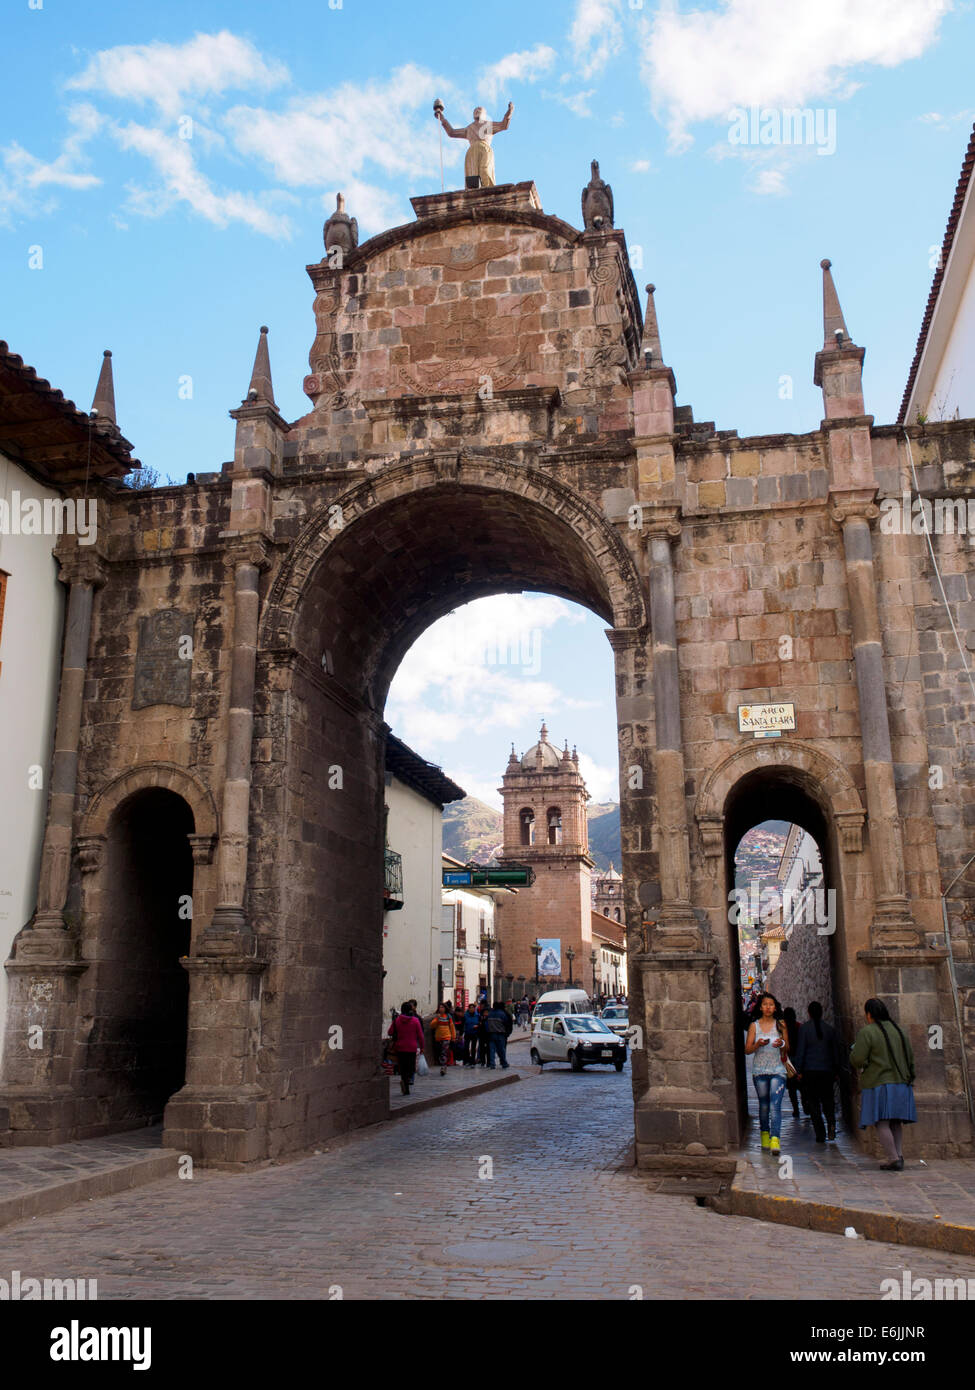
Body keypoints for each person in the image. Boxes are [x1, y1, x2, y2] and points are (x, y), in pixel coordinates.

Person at [850, 997, 916, 1170]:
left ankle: (893, 1158)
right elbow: (910, 1057)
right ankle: (899, 1155)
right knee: (895, 1122)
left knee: (882, 1122)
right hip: (901, 1082)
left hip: (879, 1083)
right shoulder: (900, 1030)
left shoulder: (868, 1032)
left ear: (869, 1014)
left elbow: (857, 1059)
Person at [745, 992, 790, 1153]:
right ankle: (765, 1135)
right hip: (760, 1071)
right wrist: (757, 1044)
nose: (768, 1007)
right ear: (760, 1007)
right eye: (765, 1004)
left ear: (775, 1007)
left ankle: (775, 1139)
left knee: (774, 1105)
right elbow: (747, 1050)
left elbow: (788, 1047)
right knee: (764, 1106)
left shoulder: (781, 1024)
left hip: (778, 1070)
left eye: (771, 1004)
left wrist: (781, 1043)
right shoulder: (754, 1026)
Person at [794, 1001, 843, 1142]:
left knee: (814, 1103)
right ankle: (831, 1126)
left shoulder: (804, 1029)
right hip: (827, 1072)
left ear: (808, 1013)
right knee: (828, 1102)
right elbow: (835, 1052)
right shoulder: (829, 1029)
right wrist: (836, 1070)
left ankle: (820, 1133)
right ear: (821, 1012)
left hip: (810, 1072)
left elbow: (801, 1050)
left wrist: (798, 1070)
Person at [387, 1002, 424, 1096]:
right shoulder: (415, 1020)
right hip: (412, 1048)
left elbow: (390, 1032)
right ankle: (407, 1082)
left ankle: (404, 1082)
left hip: (400, 1047)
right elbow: (420, 1036)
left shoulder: (397, 1020)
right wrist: (422, 1047)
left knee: (402, 1067)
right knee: (411, 1067)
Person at [782, 1007, 806, 1119]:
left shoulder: (783, 1028)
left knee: (791, 1087)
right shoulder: (799, 1026)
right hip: (799, 1059)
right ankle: (805, 1106)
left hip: (788, 1061)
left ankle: (796, 1109)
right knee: (802, 1086)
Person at [430, 1001, 456, 1077]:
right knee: (440, 1052)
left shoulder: (448, 1017)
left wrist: (453, 1037)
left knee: (443, 1052)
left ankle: (443, 1067)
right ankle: (443, 1065)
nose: (441, 1009)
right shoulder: (437, 1017)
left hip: (446, 1037)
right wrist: (437, 1019)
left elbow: (452, 1027)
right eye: (440, 1007)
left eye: (442, 1007)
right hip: (438, 1038)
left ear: (445, 1008)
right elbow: (432, 1026)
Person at [485, 999, 513, 1069]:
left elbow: (487, 1024)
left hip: (491, 1034)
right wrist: (507, 1033)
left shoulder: (490, 1014)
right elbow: (506, 1023)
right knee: (501, 1050)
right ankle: (504, 1063)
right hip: (500, 1034)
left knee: (492, 1050)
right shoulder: (502, 1014)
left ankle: (492, 1064)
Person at [462, 1002, 480, 1067]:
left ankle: (472, 1061)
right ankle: (467, 1061)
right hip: (467, 1033)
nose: (472, 1009)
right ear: (468, 1009)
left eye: (473, 1008)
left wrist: (477, 1026)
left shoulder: (477, 1015)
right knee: (466, 1047)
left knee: (473, 1048)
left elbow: (480, 1023)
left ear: (475, 1009)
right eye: (470, 1008)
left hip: (474, 1033)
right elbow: (463, 1024)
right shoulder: (465, 1015)